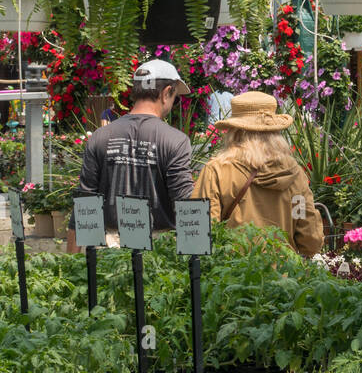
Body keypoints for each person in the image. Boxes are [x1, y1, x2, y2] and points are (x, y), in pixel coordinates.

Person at [193, 90, 324, 256]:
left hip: (231, 277)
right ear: (276, 131)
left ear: (234, 131)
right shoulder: (295, 174)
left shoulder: (217, 170)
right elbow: (311, 242)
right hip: (286, 276)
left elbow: (198, 235)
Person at [76, 59, 195, 242]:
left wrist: (76, 261)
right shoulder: (176, 141)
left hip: (109, 254)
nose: (173, 104)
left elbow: (85, 201)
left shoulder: (100, 136)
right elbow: (185, 204)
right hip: (159, 256)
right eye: (175, 98)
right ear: (165, 93)